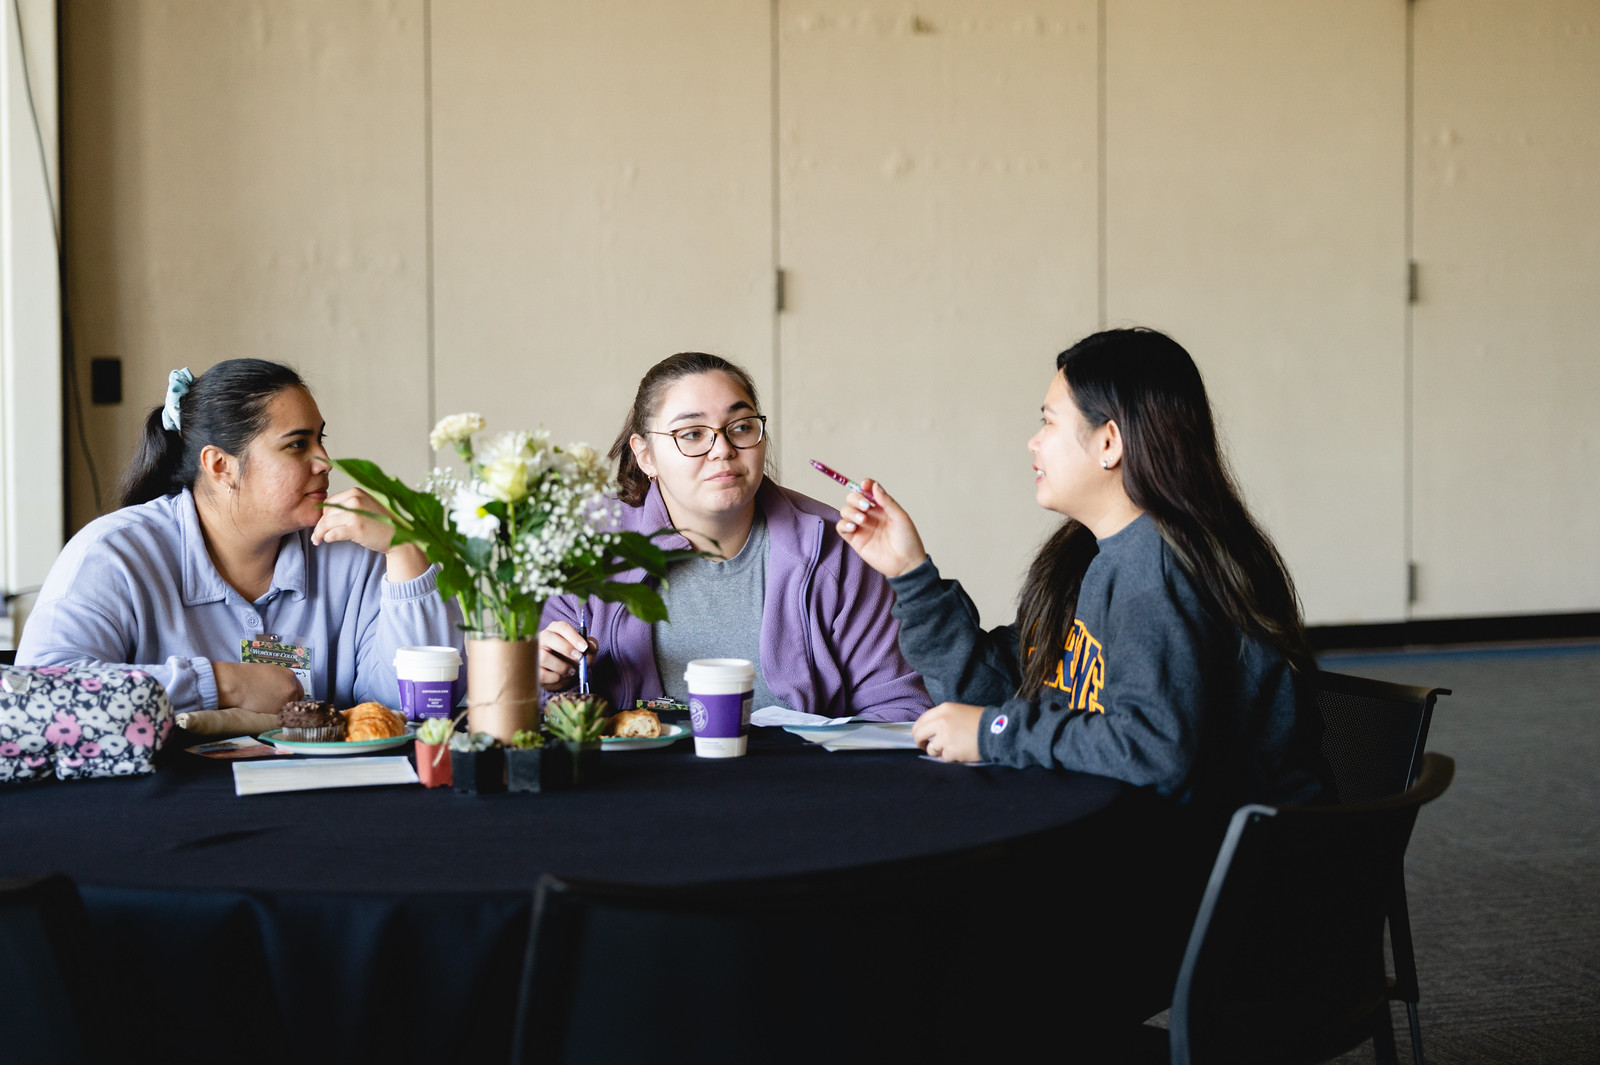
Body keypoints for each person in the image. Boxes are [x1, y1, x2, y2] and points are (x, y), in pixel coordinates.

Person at [834, 328, 1325, 808]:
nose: (1033, 442)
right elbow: (997, 689)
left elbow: (1154, 751)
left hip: (1222, 869)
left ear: (1109, 443)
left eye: (1048, 421)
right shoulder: (1087, 557)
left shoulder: (1158, 564)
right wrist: (910, 572)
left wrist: (994, 733)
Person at [18, 359, 463, 715]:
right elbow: (42, 697)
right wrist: (220, 684)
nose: (325, 461)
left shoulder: (356, 550)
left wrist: (405, 549)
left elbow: (413, 709)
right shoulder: (113, 555)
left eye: (321, 440)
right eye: (297, 444)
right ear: (220, 466)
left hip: (321, 806)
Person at [538, 352, 929, 721]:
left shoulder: (834, 548)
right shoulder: (590, 545)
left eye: (740, 427)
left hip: (798, 785)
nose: (723, 449)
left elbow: (899, 707)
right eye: (691, 434)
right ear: (645, 455)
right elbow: (517, 709)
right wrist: (551, 679)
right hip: (635, 785)